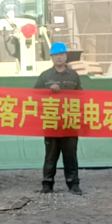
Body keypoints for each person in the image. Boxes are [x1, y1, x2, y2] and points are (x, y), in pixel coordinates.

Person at [36, 42, 83, 195]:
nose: (59, 57)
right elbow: (34, 95)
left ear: (66, 56)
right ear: (51, 57)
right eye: (56, 55)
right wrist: (48, 90)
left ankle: (73, 184)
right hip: (51, 121)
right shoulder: (45, 76)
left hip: (69, 121)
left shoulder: (74, 75)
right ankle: (47, 184)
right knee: (51, 154)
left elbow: (81, 96)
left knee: (70, 155)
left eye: (61, 54)